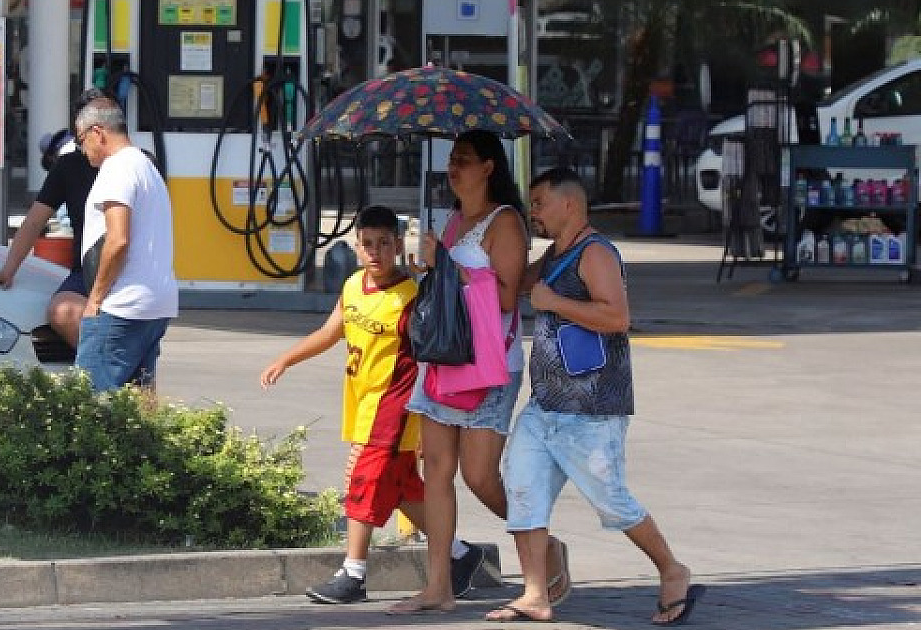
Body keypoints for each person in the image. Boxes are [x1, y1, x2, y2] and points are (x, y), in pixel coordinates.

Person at [489, 166, 703, 624]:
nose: (535, 213)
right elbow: (512, 285)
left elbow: (617, 318)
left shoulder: (596, 253)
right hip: (545, 406)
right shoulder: (552, 256)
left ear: (569, 204)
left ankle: (672, 570)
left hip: (591, 411)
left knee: (612, 501)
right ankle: (534, 593)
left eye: (540, 203)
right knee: (523, 490)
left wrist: (554, 302)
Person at [259, 205, 485, 605]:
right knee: (400, 490)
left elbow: (439, 349)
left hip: (395, 409)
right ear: (357, 247)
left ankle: (353, 573)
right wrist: (285, 359)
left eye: (384, 244)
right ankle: (460, 554)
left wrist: (435, 276)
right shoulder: (352, 286)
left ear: (399, 246)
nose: (376, 252)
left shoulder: (413, 295)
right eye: (368, 244)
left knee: (361, 482)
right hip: (362, 404)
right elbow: (330, 332)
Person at [389, 130, 569, 614]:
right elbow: (449, 289)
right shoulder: (450, 221)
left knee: (479, 475)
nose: (454, 169)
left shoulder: (504, 222)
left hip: (488, 365)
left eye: (464, 161)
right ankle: (439, 587)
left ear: (489, 167)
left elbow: (508, 298)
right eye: (451, 160)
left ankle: (545, 548)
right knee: (437, 472)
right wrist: (423, 269)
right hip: (445, 360)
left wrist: (446, 265)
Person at [0, 91, 103, 347]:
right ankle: (108, 375)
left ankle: (122, 377)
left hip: (130, 272)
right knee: (63, 311)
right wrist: (8, 270)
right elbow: (34, 221)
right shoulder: (69, 166)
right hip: (87, 271)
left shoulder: (137, 163)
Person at [72, 95, 177, 392]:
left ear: (97, 133)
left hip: (121, 304)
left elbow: (118, 240)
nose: (82, 150)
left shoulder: (117, 169)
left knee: (90, 400)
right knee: (140, 401)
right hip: (155, 303)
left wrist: (95, 299)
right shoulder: (146, 166)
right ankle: (151, 441)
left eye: (81, 141)